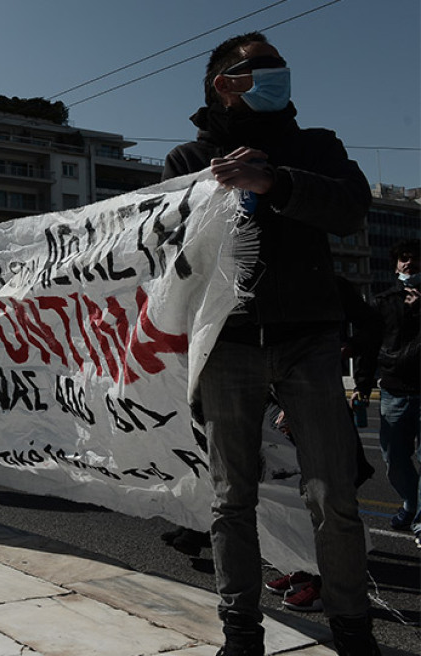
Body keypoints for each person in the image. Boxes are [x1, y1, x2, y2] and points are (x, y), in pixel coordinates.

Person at [162, 33, 380, 655]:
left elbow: (349, 208)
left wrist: (275, 181)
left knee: (333, 492)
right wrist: (218, 193)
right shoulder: (188, 160)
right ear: (220, 84)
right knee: (232, 496)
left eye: (277, 68)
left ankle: (352, 629)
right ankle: (241, 631)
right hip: (227, 341)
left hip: (310, 338)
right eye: (254, 70)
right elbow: (175, 253)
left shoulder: (318, 147)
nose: (272, 77)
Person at [355, 239, 420, 547]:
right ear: (396, 264)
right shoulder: (383, 302)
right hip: (394, 390)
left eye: (416, 260)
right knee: (394, 459)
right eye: (404, 259)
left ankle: (419, 520)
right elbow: (369, 346)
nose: (409, 264)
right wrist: (363, 385)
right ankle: (411, 505)